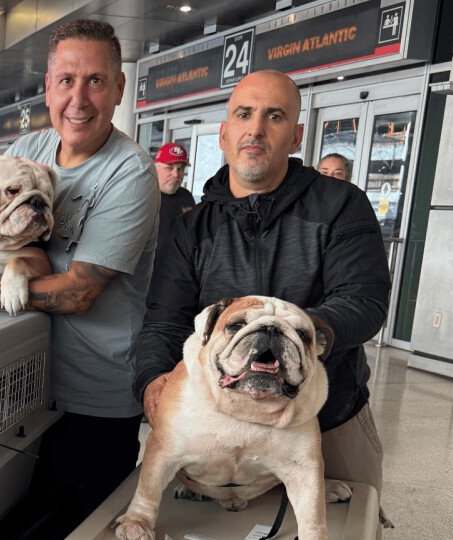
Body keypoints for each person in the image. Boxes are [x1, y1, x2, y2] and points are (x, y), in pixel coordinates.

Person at [133, 70, 392, 525]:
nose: (255, 129)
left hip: (326, 418)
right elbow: (165, 320)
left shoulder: (341, 204)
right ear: (224, 133)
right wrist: (152, 382)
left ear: (296, 136)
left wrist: (287, 336)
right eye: (243, 115)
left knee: (351, 526)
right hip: (210, 423)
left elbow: (363, 301)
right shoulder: (191, 226)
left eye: (274, 116)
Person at [0, 19, 159, 537]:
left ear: (119, 88)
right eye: (67, 81)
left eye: (96, 81)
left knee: (76, 527)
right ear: (48, 87)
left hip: (90, 401)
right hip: (15, 387)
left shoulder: (130, 172)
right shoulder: (29, 149)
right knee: (2, 519)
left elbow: (79, 291)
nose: (79, 99)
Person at [154, 142, 196, 241]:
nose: (176, 174)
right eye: (169, 168)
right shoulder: (144, 196)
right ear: (155, 169)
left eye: (180, 168)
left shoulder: (186, 195)